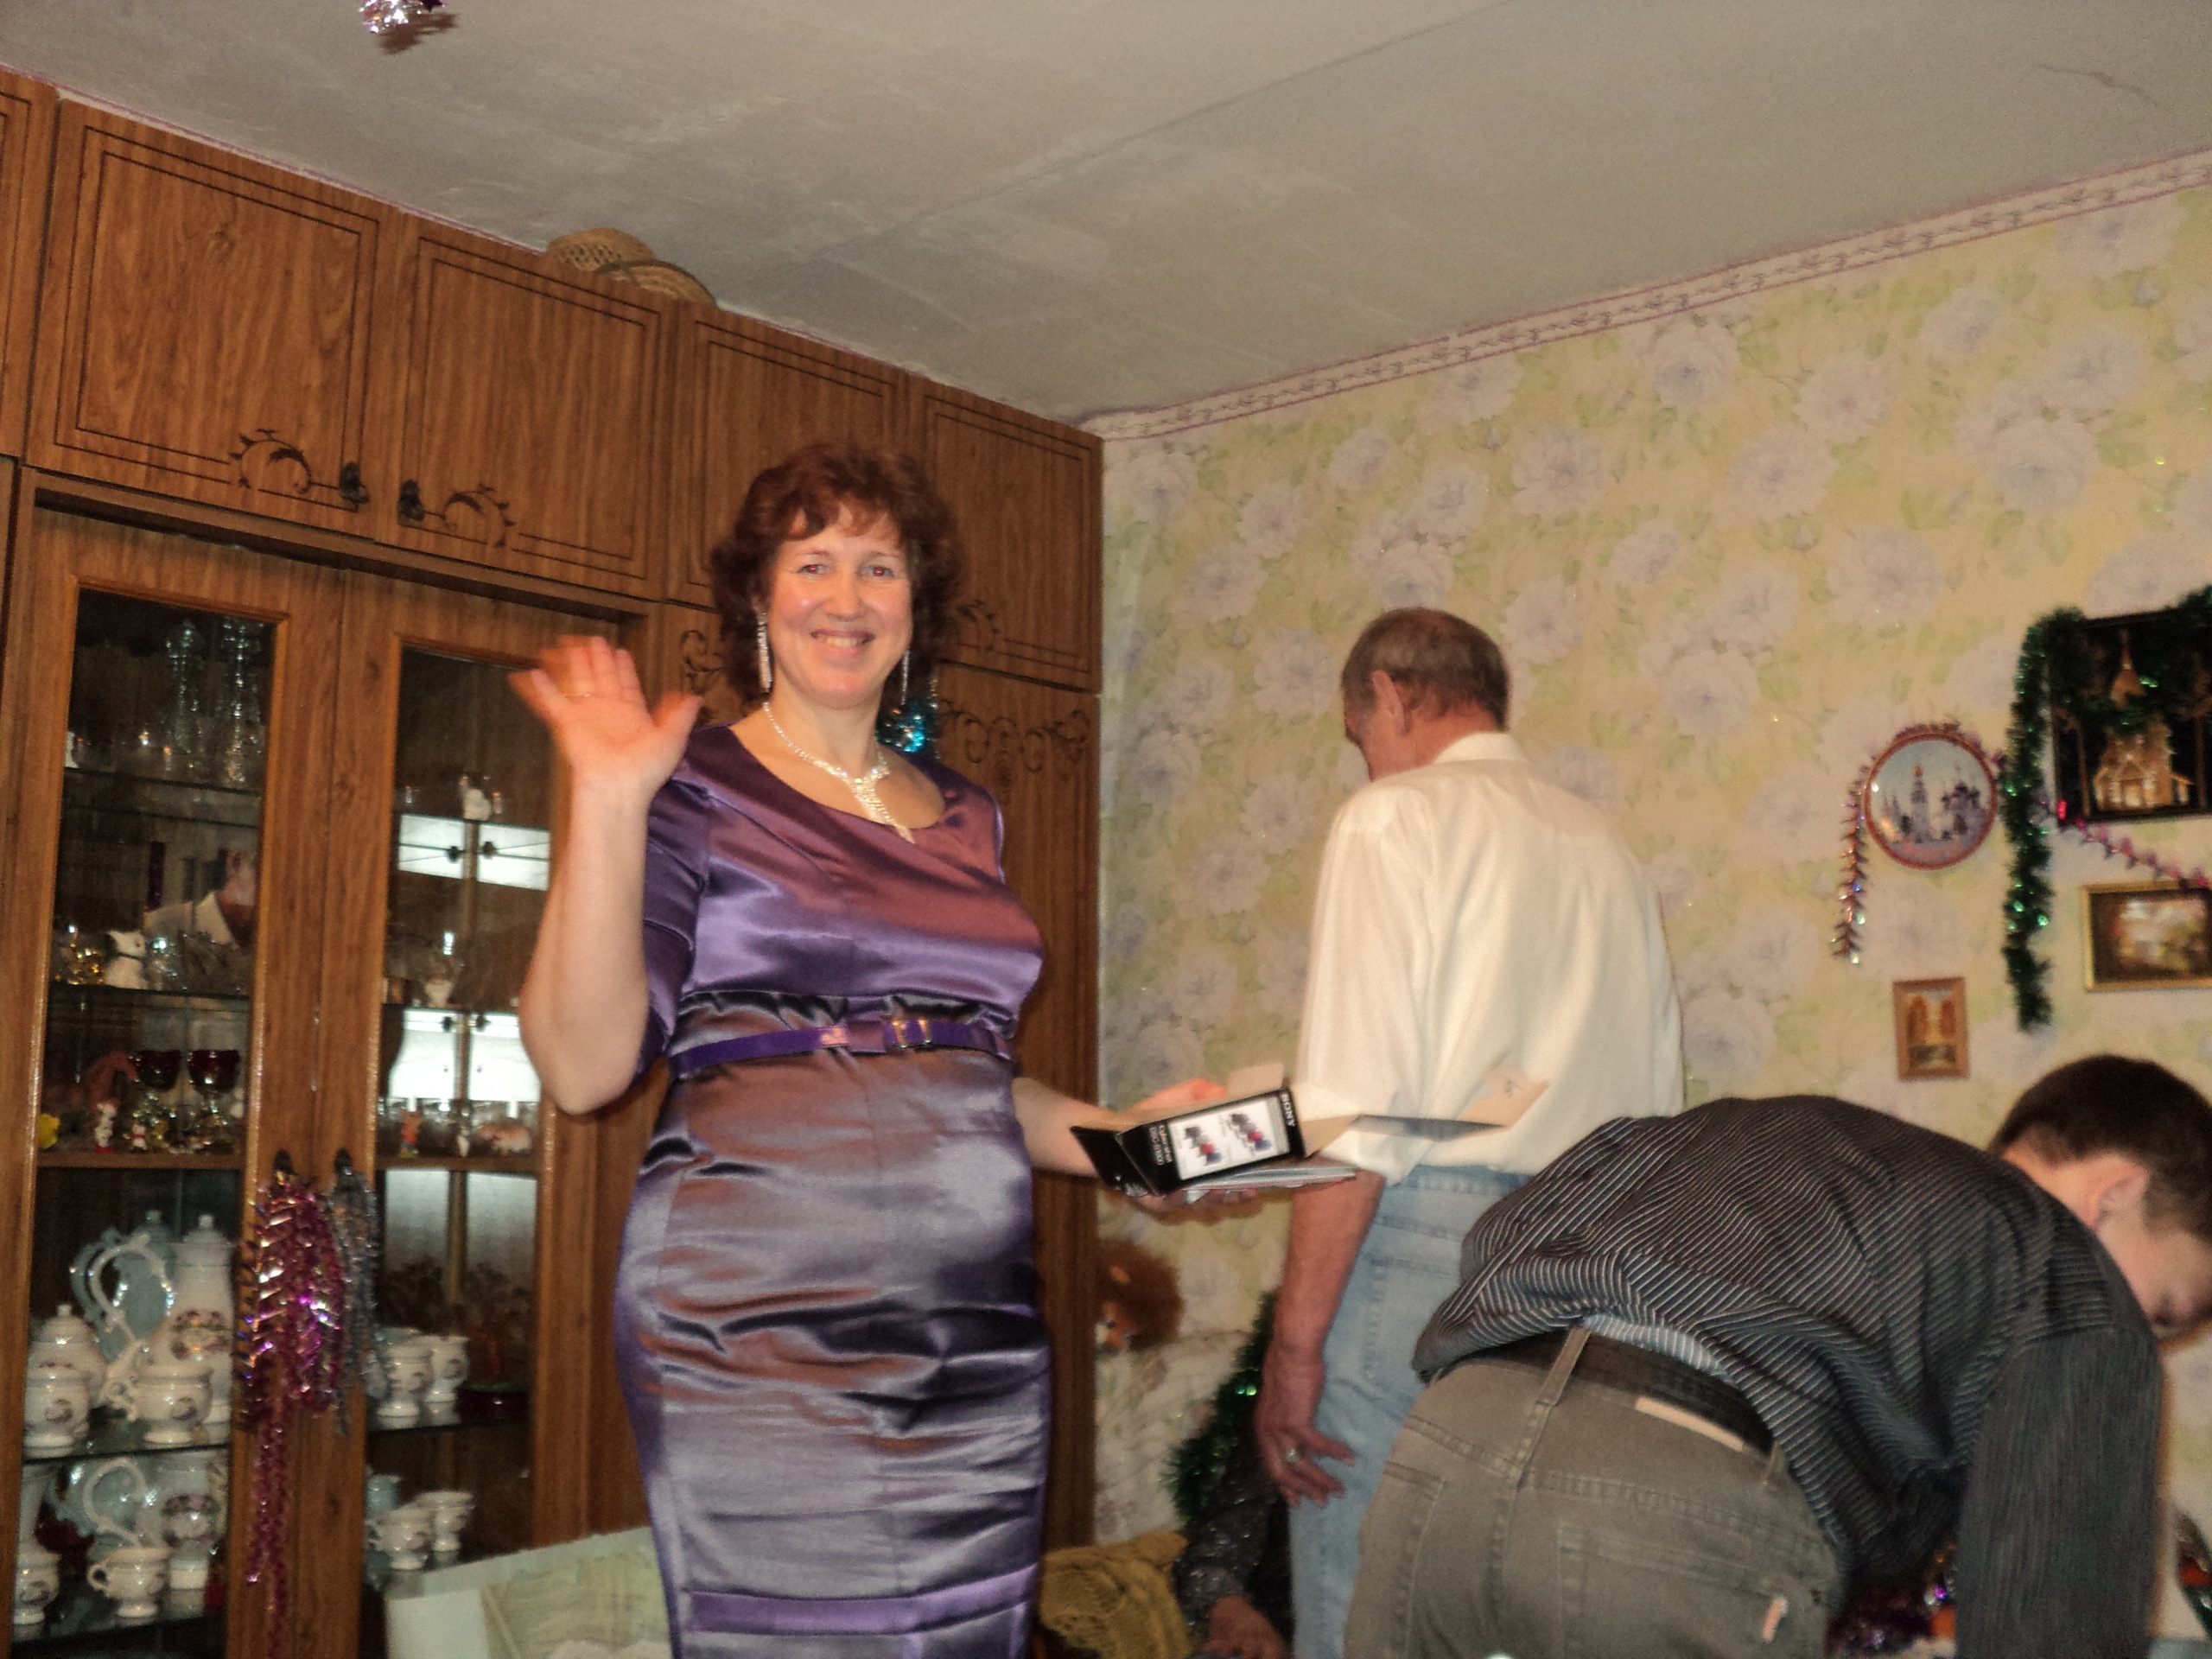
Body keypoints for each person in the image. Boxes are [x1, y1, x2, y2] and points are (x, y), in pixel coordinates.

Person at [514, 442, 1210, 1658]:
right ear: (757, 598)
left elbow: (964, 1075)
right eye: (813, 563)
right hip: (759, 1316)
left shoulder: (970, 813)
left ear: (915, 607)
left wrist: (1129, 1145)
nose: (846, 597)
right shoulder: (688, 786)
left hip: (970, 1320)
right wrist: (611, 801)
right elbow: (582, 1069)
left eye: (879, 567)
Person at [1344, 1056, 2212, 1659]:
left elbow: (1507, 1231)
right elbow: (2051, 1627)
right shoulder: (2071, 1275)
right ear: (2115, 1194)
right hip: (1666, 1512)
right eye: (2166, 1309)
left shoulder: (1765, 1135)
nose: (2145, 1336)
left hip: (1445, 1454)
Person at [1252, 608, 1681, 1657]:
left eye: (1361, 736)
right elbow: (1657, 1110)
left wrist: (1293, 1345)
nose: (1367, 762)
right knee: (1516, 1617)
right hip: (1591, 1262)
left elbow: (1357, 1114)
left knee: (1371, 1605)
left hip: (1431, 1249)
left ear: (1390, 694)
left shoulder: (1395, 818)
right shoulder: (1606, 850)